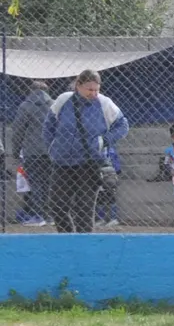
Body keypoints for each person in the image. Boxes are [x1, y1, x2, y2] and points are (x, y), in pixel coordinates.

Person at [44, 70, 129, 234]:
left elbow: (122, 125)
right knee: (57, 206)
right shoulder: (63, 100)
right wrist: (52, 148)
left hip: (89, 163)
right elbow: (48, 126)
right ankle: (68, 238)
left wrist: (103, 141)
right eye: (90, 89)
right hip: (63, 163)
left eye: (97, 89)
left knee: (84, 209)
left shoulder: (105, 103)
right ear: (78, 86)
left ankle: (84, 245)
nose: (94, 93)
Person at [11, 81, 54, 226]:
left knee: (36, 184)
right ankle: (50, 216)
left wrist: (16, 151)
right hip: (52, 151)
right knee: (50, 183)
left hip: (32, 151)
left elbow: (18, 130)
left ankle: (38, 215)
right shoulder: (54, 105)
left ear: (31, 90)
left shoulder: (26, 106)